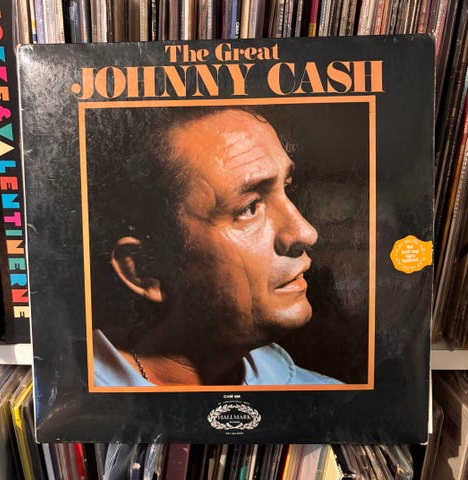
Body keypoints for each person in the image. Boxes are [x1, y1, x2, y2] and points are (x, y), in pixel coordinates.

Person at [92, 107, 340, 387]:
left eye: (288, 187)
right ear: (144, 270)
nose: (306, 233)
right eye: (249, 207)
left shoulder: (331, 399)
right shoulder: (70, 400)